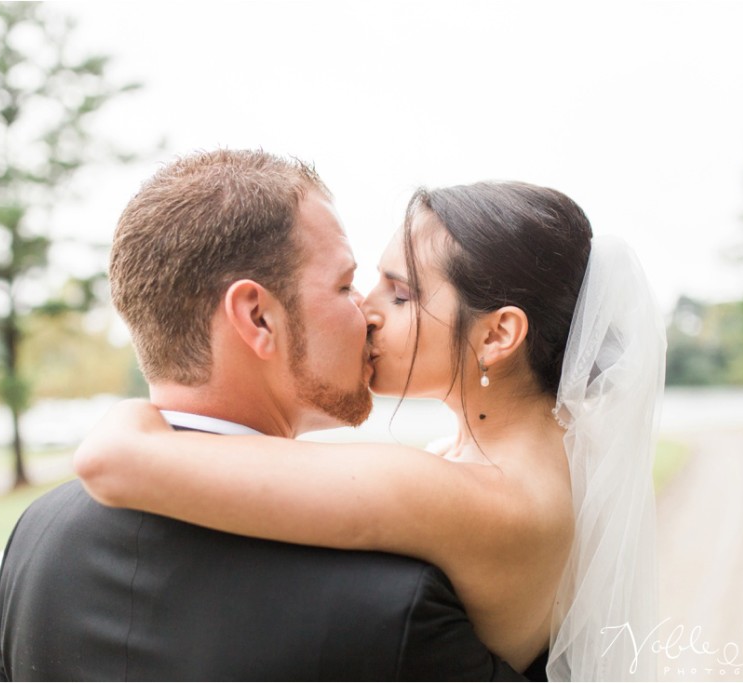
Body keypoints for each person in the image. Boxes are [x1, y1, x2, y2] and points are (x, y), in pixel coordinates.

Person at [74, 180, 667, 680]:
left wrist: (135, 410)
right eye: (368, 283)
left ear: (496, 335)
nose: (365, 308)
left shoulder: (475, 498)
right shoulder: (528, 472)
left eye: (401, 293)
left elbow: (111, 460)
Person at [0, 150, 529, 681]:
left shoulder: (36, 538)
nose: (365, 312)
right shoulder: (393, 601)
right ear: (258, 318)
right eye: (344, 285)